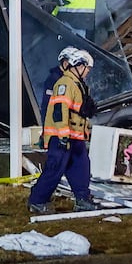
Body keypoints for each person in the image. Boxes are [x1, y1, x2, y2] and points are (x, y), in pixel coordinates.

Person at [27, 48, 98, 213]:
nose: (88, 72)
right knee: (55, 169)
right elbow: (60, 111)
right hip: (62, 137)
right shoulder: (64, 84)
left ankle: (82, 199)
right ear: (78, 66)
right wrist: (63, 135)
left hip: (75, 137)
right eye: (87, 68)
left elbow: (77, 111)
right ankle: (37, 201)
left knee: (81, 168)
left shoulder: (79, 85)